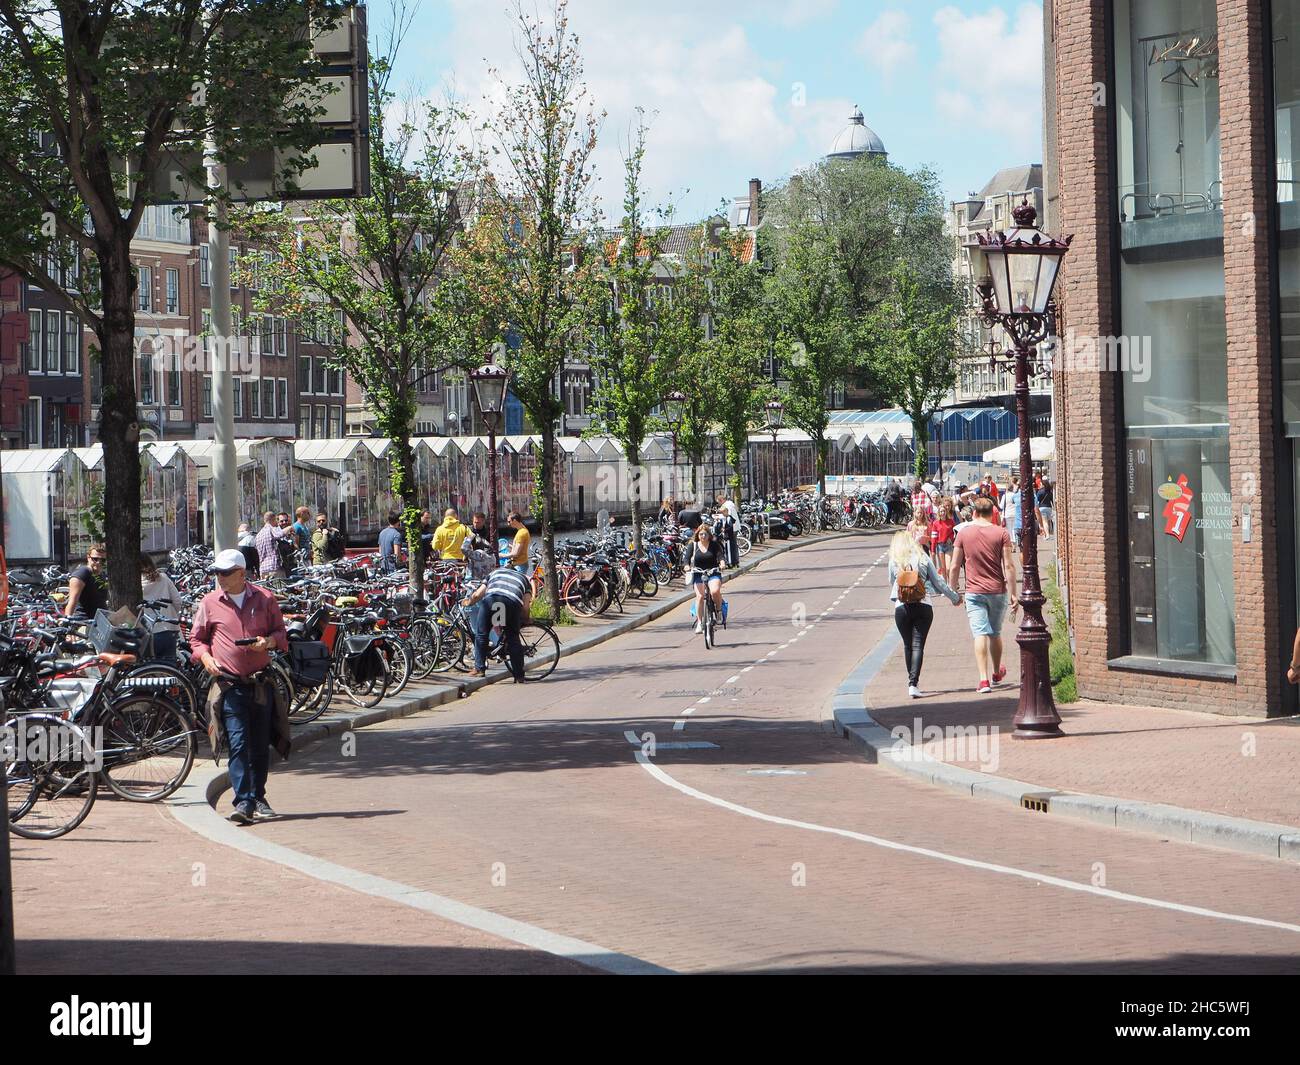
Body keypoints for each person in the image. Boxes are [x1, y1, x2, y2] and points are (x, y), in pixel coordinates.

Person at [188, 549, 290, 824]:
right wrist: (206, 658)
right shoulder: (209, 602)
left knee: (259, 744)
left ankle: (258, 796)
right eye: (217, 573)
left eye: (225, 573)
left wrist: (267, 643)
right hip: (229, 685)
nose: (219, 578)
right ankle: (243, 800)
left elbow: (281, 634)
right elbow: (196, 640)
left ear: (241, 573)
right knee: (237, 742)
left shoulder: (265, 598)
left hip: (260, 683)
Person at [950, 496, 1019, 694]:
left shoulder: (963, 533)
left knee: (979, 633)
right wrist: (1013, 593)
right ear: (992, 513)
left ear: (974, 513)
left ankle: (983, 680)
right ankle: (997, 673)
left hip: (974, 591)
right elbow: (1009, 565)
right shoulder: (1002, 533)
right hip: (997, 590)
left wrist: (952, 590)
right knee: (995, 633)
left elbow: (954, 565)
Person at [888, 529, 962, 699]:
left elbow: (892, 582)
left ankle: (912, 682)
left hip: (902, 607)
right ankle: (914, 683)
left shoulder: (894, 561)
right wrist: (954, 597)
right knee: (918, 645)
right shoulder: (922, 557)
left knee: (907, 645)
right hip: (923, 604)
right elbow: (938, 582)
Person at [462, 564, 533, 681]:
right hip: (511, 604)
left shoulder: (495, 573)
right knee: (513, 639)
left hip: (492, 601)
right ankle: (519, 675)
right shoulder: (524, 579)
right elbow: (525, 607)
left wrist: (468, 602)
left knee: (481, 635)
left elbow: (477, 594)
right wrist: (526, 618)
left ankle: (479, 669)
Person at [139, 552, 184, 662]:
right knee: (169, 666)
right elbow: (177, 601)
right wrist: (172, 614)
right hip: (168, 627)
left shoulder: (136, 583)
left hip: (147, 631)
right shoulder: (163, 578)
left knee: (151, 669)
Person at [687, 524, 725, 634]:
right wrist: (686, 566)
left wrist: (722, 563)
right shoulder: (693, 545)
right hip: (699, 573)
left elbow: (720, 556)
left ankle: (718, 611)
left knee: (714, 591)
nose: (703, 536)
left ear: (709, 535)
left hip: (713, 572)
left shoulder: (714, 545)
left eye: (705, 534)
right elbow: (686, 559)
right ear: (697, 535)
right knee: (700, 596)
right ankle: (700, 622)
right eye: (701, 534)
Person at [64, 543, 109, 622]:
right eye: (95, 559)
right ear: (88, 558)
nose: (98, 562)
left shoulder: (101, 576)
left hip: (99, 623)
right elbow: (72, 602)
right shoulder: (83, 573)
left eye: (103, 560)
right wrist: (68, 626)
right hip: (83, 621)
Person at [930, 498, 957, 583]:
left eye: (944, 511)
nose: (942, 513)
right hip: (940, 546)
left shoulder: (951, 521)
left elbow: (954, 532)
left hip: (949, 546)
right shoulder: (935, 523)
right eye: (941, 511)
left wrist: (951, 538)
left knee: (949, 568)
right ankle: (945, 585)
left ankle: (951, 583)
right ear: (939, 513)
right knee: (943, 568)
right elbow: (934, 537)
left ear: (946, 512)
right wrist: (933, 550)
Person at [255, 512, 285, 579]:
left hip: (263, 568)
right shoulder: (271, 529)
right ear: (273, 519)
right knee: (280, 588)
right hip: (273, 567)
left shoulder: (259, 534)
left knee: (267, 589)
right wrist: (289, 528)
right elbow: (280, 534)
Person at [507, 512, 531, 576]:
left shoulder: (521, 533)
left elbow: (516, 553)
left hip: (519, 565)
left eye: (509, 521)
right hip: (520, 564)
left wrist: (501, 555)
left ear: (514, 521)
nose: (508, 524)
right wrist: (508, 546)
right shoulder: (523, 530)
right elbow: (521, 549)